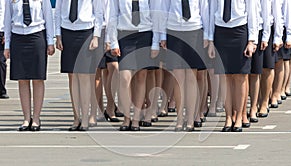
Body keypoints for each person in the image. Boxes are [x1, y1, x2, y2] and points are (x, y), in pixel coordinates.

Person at [108, 0, 161, 131]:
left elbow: (156, 15)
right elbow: (113, 14)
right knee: (125, 78)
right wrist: (113, 42)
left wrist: (155, 43)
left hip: (145, 33)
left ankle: (136, 118)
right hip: (125, 34)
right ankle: (127, 118)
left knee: (141, 77)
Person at [4, 0, 55, 131]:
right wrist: (7, 45)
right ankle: (26, 118)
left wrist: (50, 41)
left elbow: (48, 17)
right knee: (22, 79)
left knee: (38, 78)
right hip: (18, 36)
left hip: (37, 35)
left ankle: (36, 118)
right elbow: (7, 19)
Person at [209, 0, 258, 132]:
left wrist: (252, 40)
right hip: (220, 31)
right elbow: (211, 11)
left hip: (240, 30)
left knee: (240, 76)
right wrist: (210, 40)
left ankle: (239, 118)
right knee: (225, 77)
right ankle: (228, 117)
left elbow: (252, 12)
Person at [55, 0, 104, 131]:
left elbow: (98, 12)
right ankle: (76, 117)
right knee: (72, 76)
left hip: (86, 31)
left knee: (84, 76)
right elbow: (58, 10)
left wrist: (96, 36)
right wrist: (58, 35)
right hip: (67, 30)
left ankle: (86, 118)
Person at [161, 0, 209, 131]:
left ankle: (190, 118)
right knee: (178, 78)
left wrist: (207, 35)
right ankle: (179, 118)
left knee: (191, 78)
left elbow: (204, 10)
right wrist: (162, 36)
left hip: (194, 30)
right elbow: (164, 9)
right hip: (174, 30)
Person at [270, 0, 291, 109]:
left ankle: (277, 92)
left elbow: (290, 10)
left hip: (281, 27)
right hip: (265, 26)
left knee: (280, 62)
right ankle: (269, 92)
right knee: (267, 66)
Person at [0, 0, 8, 99]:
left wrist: (7, 32)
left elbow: (7, 13)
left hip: (1, 31)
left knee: (1, 62)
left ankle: (1, 90)